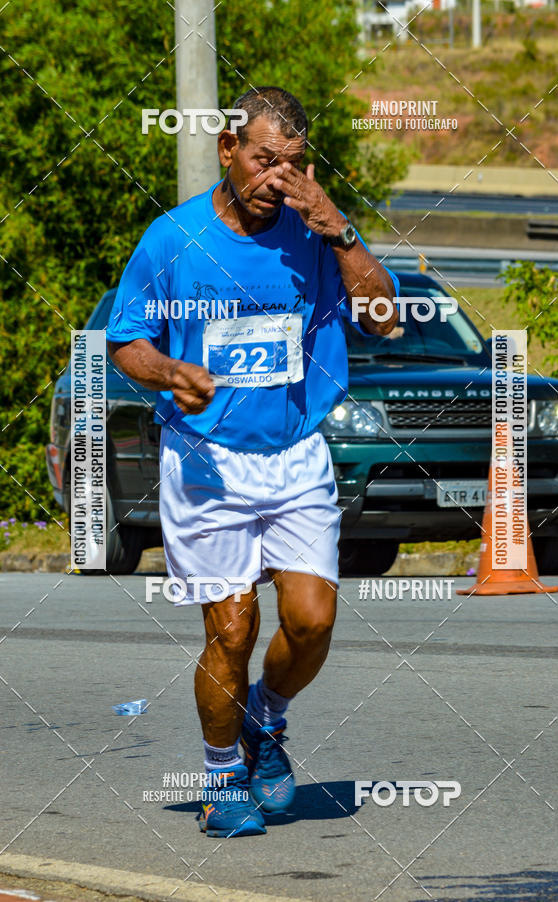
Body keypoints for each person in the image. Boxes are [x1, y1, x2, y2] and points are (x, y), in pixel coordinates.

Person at [106, 86, 399, 838]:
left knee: (312, 621)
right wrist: (171, 373)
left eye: (294, 164)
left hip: (296, 453)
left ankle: (264, 721)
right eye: (265, 160)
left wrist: (338, 231)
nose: (279, 179)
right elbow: (126, 340)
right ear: (227, 150)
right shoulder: (173, 239)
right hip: (206, 461)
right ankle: (220, 778)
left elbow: (386, 316)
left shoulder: (316, 232)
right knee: (231, 630)